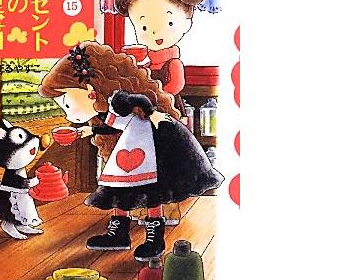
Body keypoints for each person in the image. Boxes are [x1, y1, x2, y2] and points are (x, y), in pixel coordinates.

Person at [38, 42, 223, 262]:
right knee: (118, 191)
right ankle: (119, 233)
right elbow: (114, 125)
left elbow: (141, 103)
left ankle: (154, 239)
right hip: (126, 155)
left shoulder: (120, 100)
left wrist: (152, 113)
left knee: (152, 193)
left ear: (89, 91)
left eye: (67, 105)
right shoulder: (111, 109)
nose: (68, 115)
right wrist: (87, 131)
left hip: (148, 156)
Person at [114, 0, 206, 115]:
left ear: (186, 23)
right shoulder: (147, 65)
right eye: (144, 27)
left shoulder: (173, 63)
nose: (155, 33)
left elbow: (176, 85)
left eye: (169, 23)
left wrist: (155, 96)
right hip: (148, 109)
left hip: (168, 108)